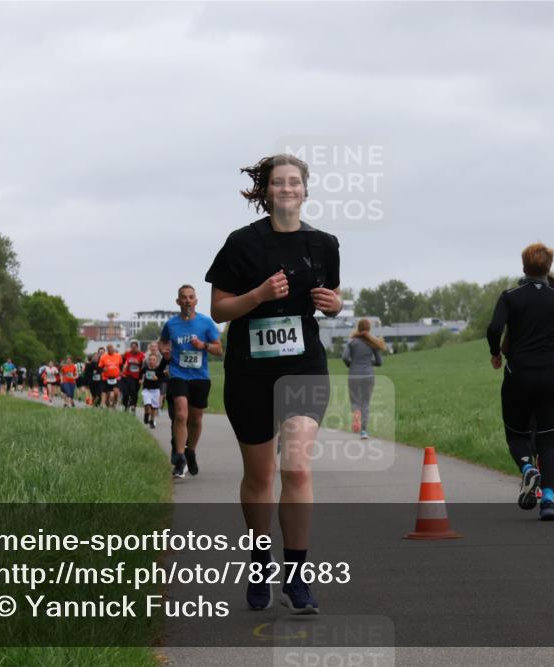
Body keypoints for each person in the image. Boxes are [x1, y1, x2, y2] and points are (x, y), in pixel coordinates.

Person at [206, 154, 341, 614]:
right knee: (261, 475)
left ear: (305, 190)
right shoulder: (241, 243)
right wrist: (259, 295)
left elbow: (331, 296)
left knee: (297, 468)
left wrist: (336, 305)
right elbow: (219, 309)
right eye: (278, 183)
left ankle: (297, 577)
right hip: (250, 371)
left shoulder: (324, 244)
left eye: (294, 182)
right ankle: (261, 562)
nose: (286, 189)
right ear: (265, 191)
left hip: (304, 366)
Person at [486, 242, 554, 522]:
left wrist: (495, 352)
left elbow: (494, 328)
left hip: (520, 376)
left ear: (523, 265)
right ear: (549, 267)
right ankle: (548, 501)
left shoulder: (510, 297)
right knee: (548, 442)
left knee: (516, 435)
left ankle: (528, 470)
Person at [159, 285, 222, 478]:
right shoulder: (171, 324)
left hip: (200, 377)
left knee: (196, 419)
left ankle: (191, 451)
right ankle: (179, 458)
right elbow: (162, 342)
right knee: (180, 414)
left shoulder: (206, 322)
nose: (187, 300)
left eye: (191, 297)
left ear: (196, 300)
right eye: (184, 297)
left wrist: (203, 345)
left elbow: (219, 349)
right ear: (178, 301)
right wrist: (164, 351)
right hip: (178, 374)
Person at [342, 318, 385, 439]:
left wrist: (350, 364)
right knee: (365, 403)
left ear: (358, 328)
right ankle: (364, 431)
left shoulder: (352, 342)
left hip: (354, 375)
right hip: (368, 375)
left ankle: (356, 413)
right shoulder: (373, 343)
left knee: (355, 401)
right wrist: (369, 363)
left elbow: (344, 357)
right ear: (369, 329)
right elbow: (379, 362)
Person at [140, 352, 163, 428]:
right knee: (147, 404)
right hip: (146, 389)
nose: (151, 361)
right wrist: (140, 379)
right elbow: (140, 374)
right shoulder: (145, 368)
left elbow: (163, 379)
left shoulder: (158, 370)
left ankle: (152, 421)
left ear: (156, 361)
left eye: (153, 360)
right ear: (148, 361)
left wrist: (158, 379)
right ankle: (147, 414)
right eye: (150, 359)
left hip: (155, 390)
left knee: (154, 407)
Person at [122, 341, 145, 413]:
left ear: (137, 347)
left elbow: (143, 366)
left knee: (134, 392)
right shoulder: (127, 354)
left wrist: (141, 378)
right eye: (132, 347)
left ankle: (133, 406)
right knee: (126, 393)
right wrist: (122, 370)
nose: (133, 349)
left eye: (135, 347)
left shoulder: (141, 355)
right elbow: (122, 362)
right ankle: (126, 405)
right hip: (128, 375)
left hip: (137, 377)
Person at [99, 344, 123, 408]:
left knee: (116, 393)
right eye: (109, 349)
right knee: (105, 392)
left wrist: (121, 371)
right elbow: (100, 367)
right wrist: (103, 369)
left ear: (113, 349)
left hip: (116, 377)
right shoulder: (103, 357)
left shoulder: (118, 356)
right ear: (107, 350)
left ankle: (114, 404)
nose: (110, 350)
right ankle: (103, 403)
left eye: (111, 349)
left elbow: (121, 365)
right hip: (106, 377)